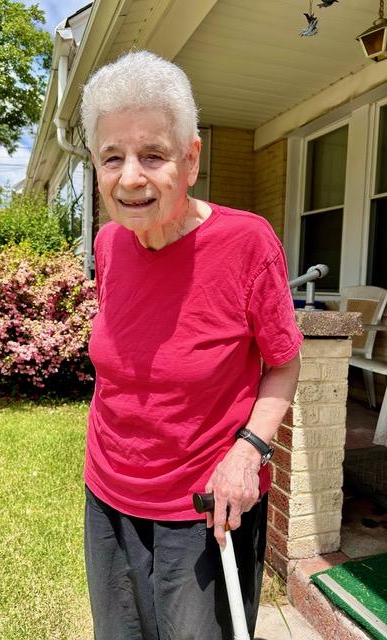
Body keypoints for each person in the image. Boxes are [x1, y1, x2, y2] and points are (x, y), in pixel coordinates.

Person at [80, 50, 302, 640]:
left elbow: (283, 363)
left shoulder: (247, 244)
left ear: (192, 157)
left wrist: (247, 451)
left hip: (205, 510)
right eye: (113, 157)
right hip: (109, 496)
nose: (131, 177)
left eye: (153, 154)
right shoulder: (109, 245)